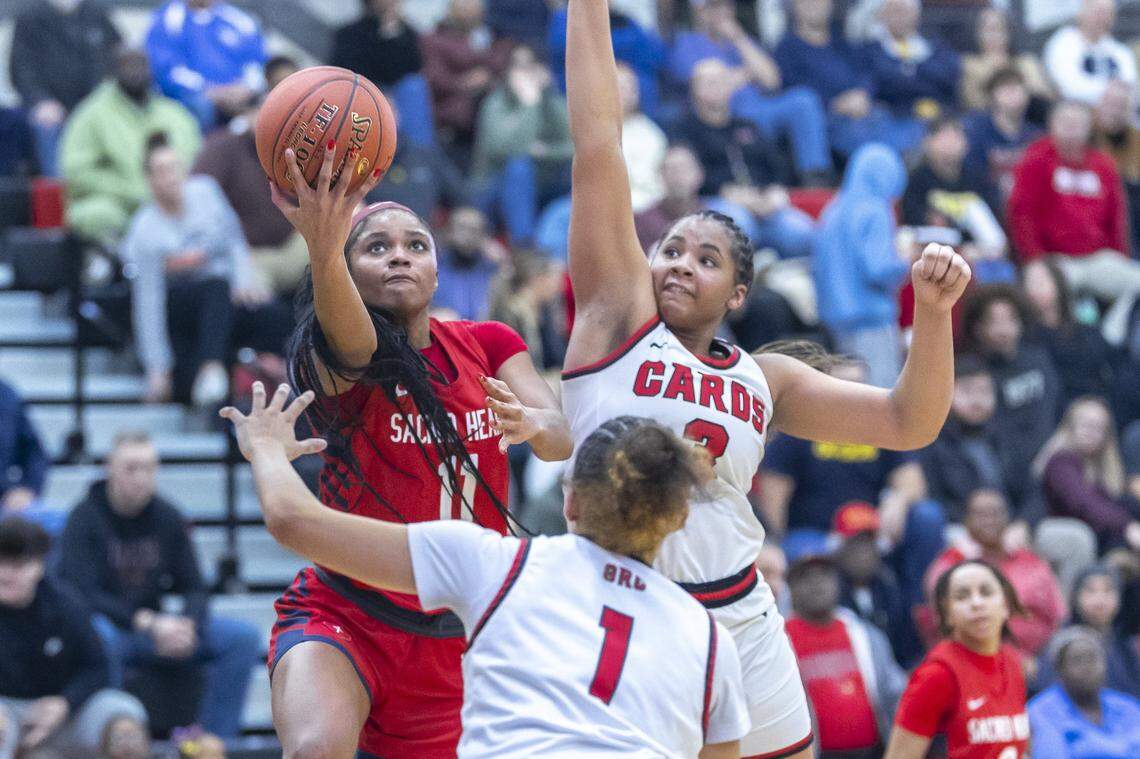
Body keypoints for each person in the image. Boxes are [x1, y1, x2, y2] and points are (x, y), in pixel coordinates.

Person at [561, 0, 972, 754]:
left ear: (739, 295)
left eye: (706, 259)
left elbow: (910, 422)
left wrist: (936, 314)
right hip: (629, 602)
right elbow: (597, 146)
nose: (681, 261)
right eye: (673, 249)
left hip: (743, 612)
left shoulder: (768, 375)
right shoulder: (617, 317)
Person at [263, 141, 572, 757]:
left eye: (415, 245)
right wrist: (323, 244)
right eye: (376, 248)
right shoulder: (342, 354)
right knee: (314, 749)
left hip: (463, 633)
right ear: (346, 276)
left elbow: (559, 441)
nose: (399, 256)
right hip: (348, 612)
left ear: (437, 269)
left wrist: (533, 423)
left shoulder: (489, 340)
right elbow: (354, 341)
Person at [226, 394, 749, 757]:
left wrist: (268, 447)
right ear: (679, 516)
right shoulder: (711, 639)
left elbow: (294, 522)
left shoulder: (503, 565)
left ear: (569, 501)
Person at [56, 432, 262, 739]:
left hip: (158, 629)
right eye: (131, 468)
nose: (141, 478)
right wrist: (146, 622)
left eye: (149, 468)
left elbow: (194, 586)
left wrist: (188, 625)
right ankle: (117, 740)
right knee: (101, 639)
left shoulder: (168, 516)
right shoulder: (84, 518)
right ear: (110, 467)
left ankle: (215, 742)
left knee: (242, 639)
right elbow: (80, 594)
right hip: (118, 628)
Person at [760, 357, 945, 607]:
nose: (852, 393)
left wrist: (898, 500)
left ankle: (923, 610)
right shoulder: (796, 427)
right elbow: (773, 499)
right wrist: (776, 543)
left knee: (927, 516)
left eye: (859, 384)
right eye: (843, 384)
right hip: (816, 534)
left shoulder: (881, 424)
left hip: (871, 530)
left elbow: (913, 480)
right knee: (798, 552)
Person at [123, 135, 290, 407]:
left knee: (273, 313)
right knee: (215, 289)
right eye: (163, 171)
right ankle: (212, 366)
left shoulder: (207, 193)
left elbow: (234, 241)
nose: (172, 177)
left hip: (223, 299)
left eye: (175, 168)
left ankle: (280, 371)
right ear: (150, 180)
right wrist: (157, 367)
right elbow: (148, 299)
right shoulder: (145, 230)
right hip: (179, 306)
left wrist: (245, 281)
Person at [0, 517, 149, 759]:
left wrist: (65, 703)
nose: (5, 575)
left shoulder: (66, 604)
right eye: (0, 564)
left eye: (17, 565)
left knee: (124, 717)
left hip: (61, 713)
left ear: (39, 566)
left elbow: (98, 666)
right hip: (6, 710)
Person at [1007, 99, 1140, 345]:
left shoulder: (1104, 165)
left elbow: (1116, 218)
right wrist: (1033, 260)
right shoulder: (1036, 159)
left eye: (1078, 124)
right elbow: (1021, 215)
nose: (1071, 130)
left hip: (1096, 258)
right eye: (1065, 123)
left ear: (1089, 128)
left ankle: (1110, 339)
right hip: (1053, 261)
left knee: (1135, 282)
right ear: (1052, 124)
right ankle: (1058, 345)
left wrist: (1119, 255)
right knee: (1046, 291)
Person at [668, 0, 832, 183]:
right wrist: (748, 73)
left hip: (761, 110)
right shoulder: (687, 43)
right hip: (726, 116)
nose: (721, 12)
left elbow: (772, 80)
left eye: (726, 5)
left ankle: (815, 175)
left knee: (803, 100)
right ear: (700, 12)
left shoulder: (743, 41)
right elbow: (706, 86)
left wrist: (738, 38)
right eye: (713, 7)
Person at [886, 560, 1030, 759]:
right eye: (962, 596)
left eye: (986, 592)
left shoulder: (1013, 664)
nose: (977, 603)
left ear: (1005, 605)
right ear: (947, 614)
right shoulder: (936, 675)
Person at [675, 58, 815, 261]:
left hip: (762, 202)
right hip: (715, 201)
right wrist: (725, 191)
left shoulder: (748, 126)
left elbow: (776, 164)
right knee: (741, 226)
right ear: (693, 89)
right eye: (708, 82)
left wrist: (775, 190)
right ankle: (752, 276)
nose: (717, 87)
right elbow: (685, 175)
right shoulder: (685, 131)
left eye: (721, 80)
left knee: (803, 232)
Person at [60, 48, 201, 247]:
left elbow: (195, 158)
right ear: (113, 71)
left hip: (173, 200)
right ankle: (118, 270)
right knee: (96, 214)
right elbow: (76, 170)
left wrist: (170, 188)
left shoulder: (174, 113)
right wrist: (133, 191)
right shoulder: (91, 115)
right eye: (128, 65)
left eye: (141, 65)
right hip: (118, 204)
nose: (135, 72)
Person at [192, 57, 308, 297]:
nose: (268, 120)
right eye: (261, 110)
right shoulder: (223, 147)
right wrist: (230, 245)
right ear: (248, 113)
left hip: (294, 244)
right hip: (249, 254)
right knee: (252, 294)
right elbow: (198, 197)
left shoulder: (294, 147)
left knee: (345, 247)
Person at [785, 553, 907, 759]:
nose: (816, 583)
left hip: (873, 752)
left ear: (837, 582)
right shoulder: (780, 640)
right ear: (791, 588)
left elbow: (894, 694)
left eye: (824, 574)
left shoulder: (865, 634)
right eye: (805, 576)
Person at [923, 488, 1065, 659]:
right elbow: (946, 625)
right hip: (972, 659)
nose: (989, 521)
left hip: (1037, 660)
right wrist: (1010, 658)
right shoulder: (949, 565)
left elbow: (1057, 616)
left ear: (1008, 518)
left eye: (995, 513)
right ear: (967, 520)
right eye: (981, 514)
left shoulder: (1032, 562)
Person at [813, 143, 910, 388]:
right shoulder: (876, 210)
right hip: (871, 319)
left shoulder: (833, 209)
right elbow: (879, 269)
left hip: (835, 320)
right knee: (881, 398)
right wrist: (909, 262)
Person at [774, 0, 925, 158]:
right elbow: (792, 91)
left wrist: (863, 94)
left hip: (867, 114)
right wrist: (835, 104)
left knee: (916, 127)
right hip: (828, 122)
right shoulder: (786, 49)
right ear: (795, 7)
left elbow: (867, 73)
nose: (815, 4)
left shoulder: (843, 45)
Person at [960, 285, 1062, 512]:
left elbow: (1058, 409)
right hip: (1004, 472)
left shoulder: (1038, 360)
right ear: (978, 328)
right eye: (993, 322)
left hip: (1050, 459)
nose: (1003, 329)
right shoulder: (974, 374)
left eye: (1010, 320)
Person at [471, 44, 573, 245]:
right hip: (494, 185)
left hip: (546, 185)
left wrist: (548, 96)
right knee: (519, 167)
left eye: (530, 66)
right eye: (518, 66)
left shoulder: (551, 100)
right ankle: (523, 244)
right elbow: (504, 149)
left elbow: (573, 147)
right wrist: (530, 104)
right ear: (507, 72)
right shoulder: (496, 102)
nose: (525, 73)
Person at [920, 355, 1040, 524]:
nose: (977, 400)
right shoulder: (931, 440)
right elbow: (933, 497)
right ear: (946, 393)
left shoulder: (1008, 436)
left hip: (1009, 527)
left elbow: (1032, 493)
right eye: (966, 390)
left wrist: (1022, 525)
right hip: (958, 528)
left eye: (984, 391)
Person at [9, 0, 121, 177]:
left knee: (119, 119)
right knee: (46, 126)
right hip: (49, 107)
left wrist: (105, 97)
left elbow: (118, 55)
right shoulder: (30, 17)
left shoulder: (96, 14)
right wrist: (41, 101)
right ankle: (58, 193)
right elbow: (21, 68)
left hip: (94, 103)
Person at [902, 118, 1009, 280]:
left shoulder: (976, 178)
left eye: (955, 136)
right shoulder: (917, 179)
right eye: (944, 136)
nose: (950, 143)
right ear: (928, 142)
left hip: (971, 250)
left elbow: (994, 222)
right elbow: (911, 220)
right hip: (930, 249)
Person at [1036, 396, 1140, 553]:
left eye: (1099, 428)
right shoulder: (1060, 461)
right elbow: (1083, 504)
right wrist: (1127, 527)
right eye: (1086, 424)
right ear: (1070, 425)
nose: (1091, 432)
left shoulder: (1100, 468)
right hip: (1071, 540)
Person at [144, 0, 267, 129]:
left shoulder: (239, 20)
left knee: (267, 105)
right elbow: (167, 69)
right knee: (200, 106)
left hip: (242, 94)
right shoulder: (168, 19)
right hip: (195, 98)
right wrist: (209, 89)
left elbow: (256, 62)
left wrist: (246, 87)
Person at [331, 0, 435, 148]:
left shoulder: (407, 35)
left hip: (398, 98)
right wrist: (379, 96)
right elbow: (348, 72)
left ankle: (420, 159)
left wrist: (394, 34)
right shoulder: (349, 34)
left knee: (414, 87)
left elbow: (412, 67)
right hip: (359, 95)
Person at [1029, 625, 1140, 758]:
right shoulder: (1040, 713)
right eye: (1077, 660)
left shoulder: (1128, 706)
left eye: (1093, 659)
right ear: (1059, 669)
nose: (1087, 668)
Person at [833, 506, 923, 667]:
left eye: (868, 544)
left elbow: (909, 650)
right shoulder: (829, 590)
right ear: (840, 548)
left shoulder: (890, 586)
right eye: (855, 544)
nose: (863, 553)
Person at [1022, 258, 1116, 407]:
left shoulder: (1087, 332)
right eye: (1029, 282)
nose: (1034, 288)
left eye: (1041, 280)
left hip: (1093, 406)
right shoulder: (1024, 339)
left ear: (1058, 283)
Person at [420, 0, 514, 146]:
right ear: (451, 11)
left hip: (488, 97)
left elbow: (503, 52)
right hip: (453, 102)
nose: (470, 14)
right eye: (464, 8)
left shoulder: (489, 36)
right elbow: (435, 79)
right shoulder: (434, 40)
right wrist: (465, 83)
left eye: (475, 9)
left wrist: (486, 73)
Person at [1038, 567, 1140, 697]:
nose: (1100, 600)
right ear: (1075, 597)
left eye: (1108, 591)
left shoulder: (1123, 642)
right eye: (1090, 591)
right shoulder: (1061, 643)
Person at [863, 0, 960, 123]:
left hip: (936, 119)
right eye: (895, 11)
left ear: (917, 15)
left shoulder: (936, 48)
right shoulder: (870, 51)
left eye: (906, 11)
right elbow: (875, 85)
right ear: (882, 15)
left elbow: (947, 79)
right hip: (890, 120)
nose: (901, 17)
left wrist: (907, 72)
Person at [964, 67, 1043, 205]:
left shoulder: (1035, 136)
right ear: (992, 95)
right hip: (986, 204)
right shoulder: (976, 130)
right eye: (1006, 88)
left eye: (1018, 88)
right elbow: (971, 175)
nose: (1013, 94)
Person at [1043, 0, 1136, 109]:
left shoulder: (1120, 51)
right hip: (1078, 112)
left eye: (1106, 12)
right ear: (1081, 12)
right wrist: (1110, 94)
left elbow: (1130, 86)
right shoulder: (1063, 42)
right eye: (1097, 11)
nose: (1101, 17)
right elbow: (1070, 88)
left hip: (1116, 115)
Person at [959, 8, 1052, 115]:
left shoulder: (1026, 62)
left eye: (1000, 28)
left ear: (1009, 32)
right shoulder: (969, 64)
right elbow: (973, 102)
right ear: (977, 33)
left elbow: (1045, 95)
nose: (995, 35)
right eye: (989, 29)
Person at [432, 207, 504, 321]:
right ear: (449, 232)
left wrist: (504, 262)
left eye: (474, 230)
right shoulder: (434, 267)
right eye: (462, 228)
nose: (467, 236)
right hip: (444, 331)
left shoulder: (491, 269)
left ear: (483, 235)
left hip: (481, 333)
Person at [0, 378, 49, 521]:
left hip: (6, 498)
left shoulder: (5, 395)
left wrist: (27, 490)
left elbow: (34, 453)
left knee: (53, 521)